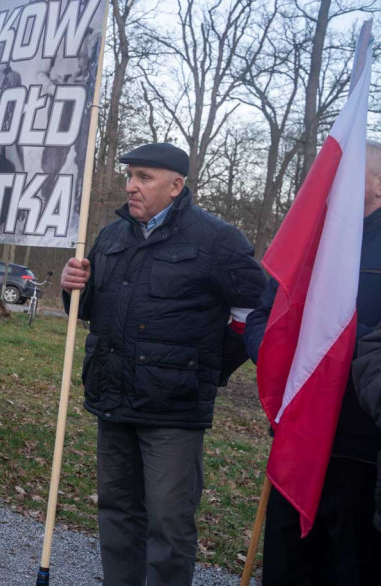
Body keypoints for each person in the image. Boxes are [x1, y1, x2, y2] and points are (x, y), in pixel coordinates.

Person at [60, 142, 265, 586]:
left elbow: (254, 315)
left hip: (173, 412)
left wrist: (205, 370)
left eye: (143, 177)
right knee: (116, 512)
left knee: (169, 525)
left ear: (176, 185)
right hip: (113, 400)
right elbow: (91, 309)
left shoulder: (217, 239)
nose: (130, 186)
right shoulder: (111, 235)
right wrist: (70, 285)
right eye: (130, 176)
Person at [249, 140, 381, 585]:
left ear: (378, 184)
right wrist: (275, 357)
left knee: (349, 566)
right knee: (288, 566)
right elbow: (264, 317)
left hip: (360, 445)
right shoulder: (310, 239)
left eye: (347, 171)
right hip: (298, 434)